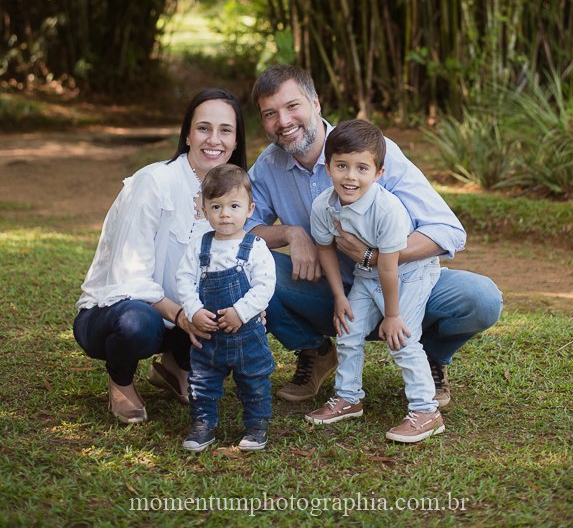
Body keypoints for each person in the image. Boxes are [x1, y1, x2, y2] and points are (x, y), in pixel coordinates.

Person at [246, 65, 503, 406]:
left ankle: (433, 359)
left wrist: (376, 257)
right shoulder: (267, 166)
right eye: (270, 113)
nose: (283, 121)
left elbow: (447, 231)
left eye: (292, 106)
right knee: (248, 265)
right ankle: (315, 352)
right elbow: (239, 231)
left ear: (315, 103)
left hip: (404, 286)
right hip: (333, 297)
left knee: (482, 298)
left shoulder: (374, 150)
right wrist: (292, 233)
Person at [73, 88, 247, 424]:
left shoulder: (232, 194)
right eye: (203, 128)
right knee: (138, 323)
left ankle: (175, 367)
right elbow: (129, 278)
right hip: (114, 314)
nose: (214, 139)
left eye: (226, 130)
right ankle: (121, 381)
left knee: (237, 310)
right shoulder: (154, 181)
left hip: (180, 317)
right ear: (187, 134)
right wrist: (182, 315)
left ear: (236, 140)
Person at [305, 120, 443, 443]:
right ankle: (348, 397)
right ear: (327, 167)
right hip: (366, 275)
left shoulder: (387, 209)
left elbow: (389, 267)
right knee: (348, 330)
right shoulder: (323, 206)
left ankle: (427, 411)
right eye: (341, 166)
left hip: (409, 274)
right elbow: (325, 248)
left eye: (362, 168)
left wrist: (392, 316)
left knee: (403, 339)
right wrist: (340, 297)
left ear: (378, 173)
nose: (350, 176)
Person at [177, 164, 276, 453]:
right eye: (216, 206)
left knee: (255, 381)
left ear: (249, 209)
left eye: (234, 205)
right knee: (202, 382)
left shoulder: (256, 246)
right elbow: (184, 280)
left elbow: (264, 286)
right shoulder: (199, 247)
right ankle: (202, 424)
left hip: (247, 334)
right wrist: (194, 310)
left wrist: (242, 311)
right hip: (209, 335)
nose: (225, 214)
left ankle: (257, 427)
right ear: (205, 211)